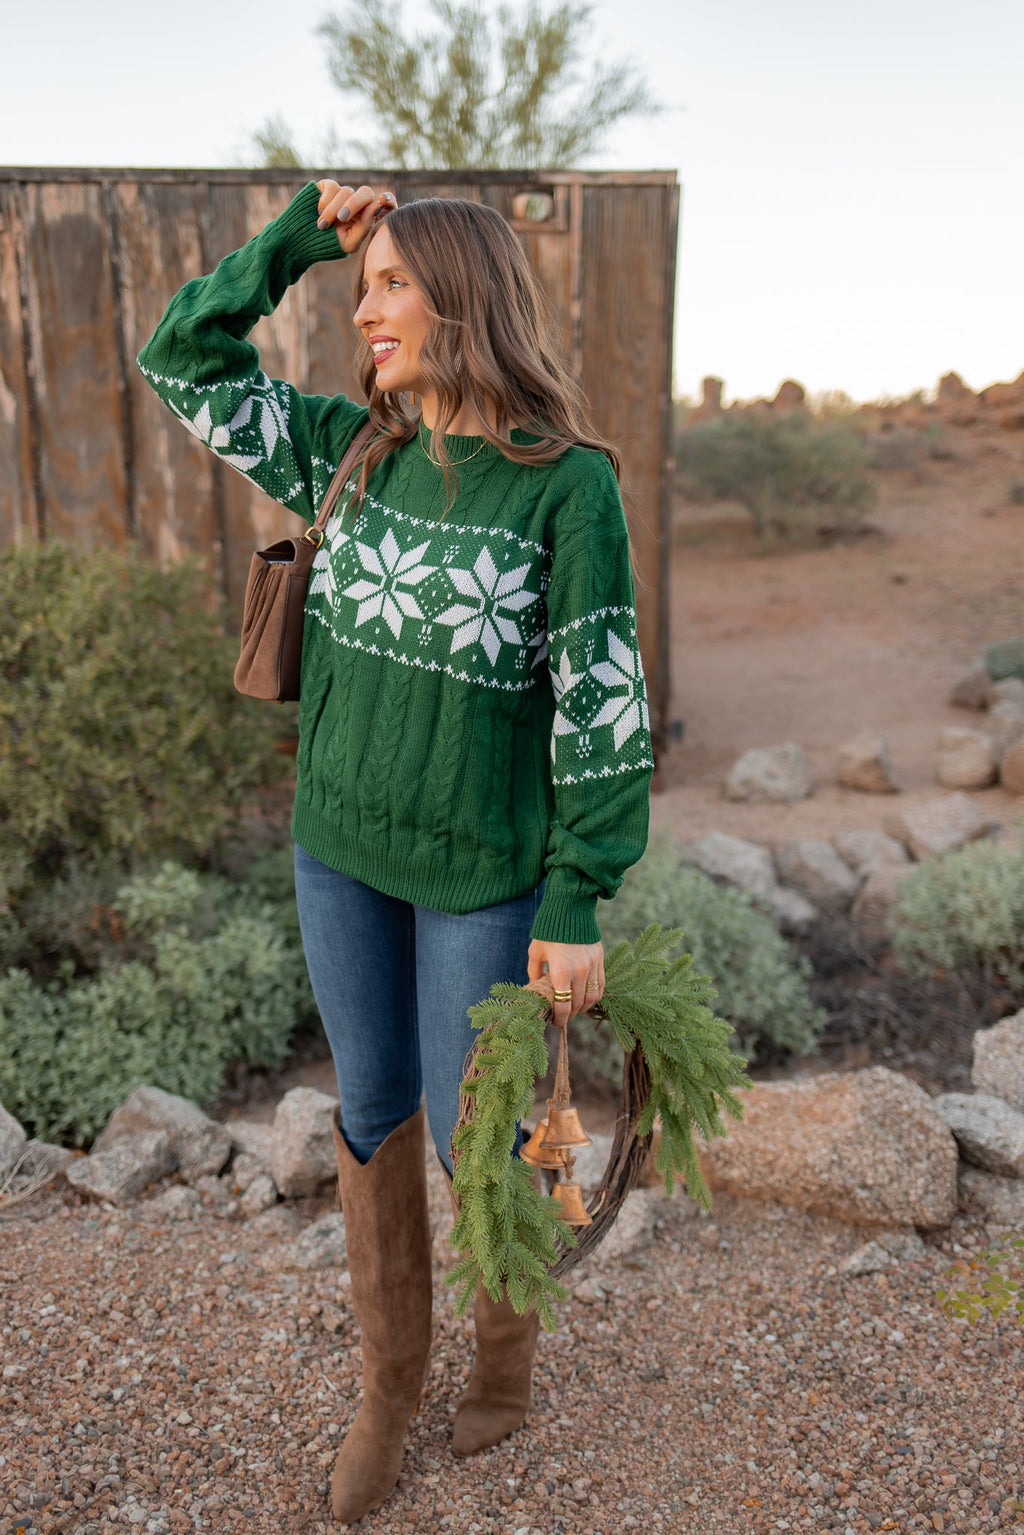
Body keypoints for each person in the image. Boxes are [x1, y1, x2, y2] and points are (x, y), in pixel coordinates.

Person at [138, 178, 652, 1523]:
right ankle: (389, 1386)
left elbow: (601, 695)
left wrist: (579, 889)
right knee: (370, 1116)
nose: (361, 312)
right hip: (339, 849)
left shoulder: (567, 489)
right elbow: (178, 357)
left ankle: (503, 1356)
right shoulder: (342, 451)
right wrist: (301, 237)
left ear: (464, 300)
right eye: (358, 287)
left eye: (388, 286)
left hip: (483, 872)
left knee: (481, 1132)